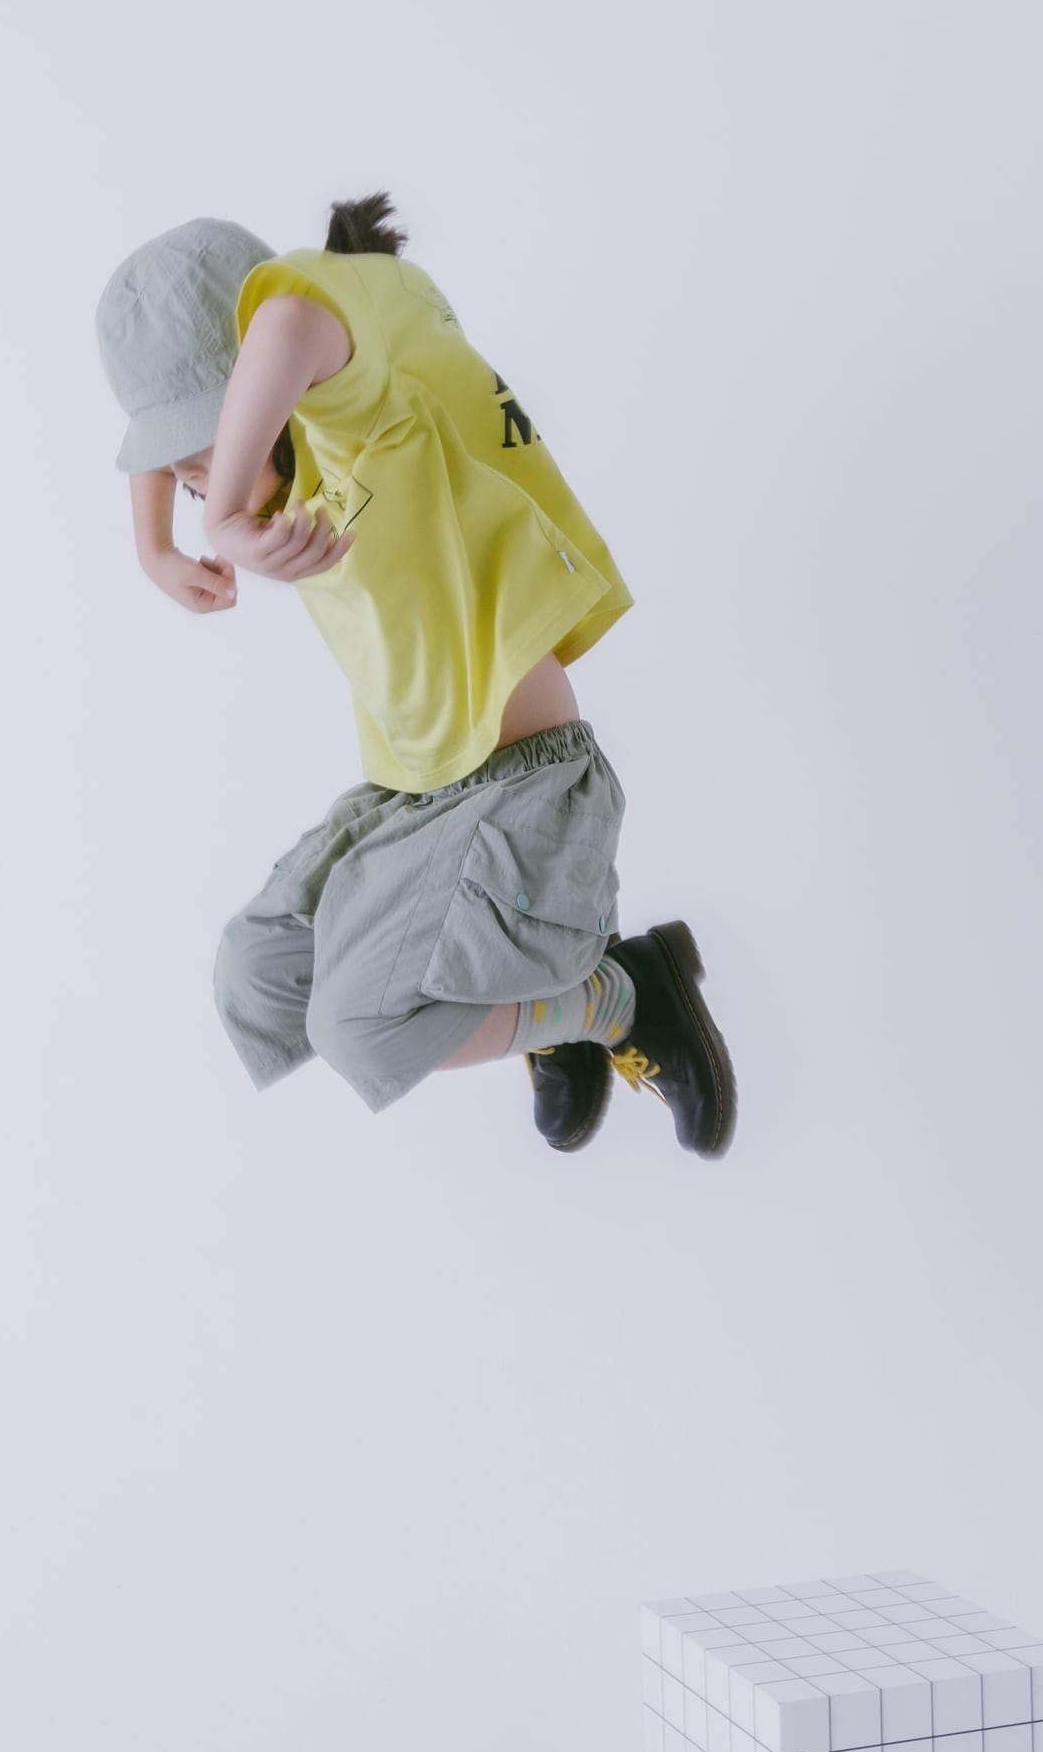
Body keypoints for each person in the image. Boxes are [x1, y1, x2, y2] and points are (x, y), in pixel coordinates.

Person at [95, 196, 736, 1155]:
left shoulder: (356, 413)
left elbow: (289, 319)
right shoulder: (281, 437)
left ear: (272, 397)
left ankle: (614, 996)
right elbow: (210, 403)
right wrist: (153, 546)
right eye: (183, 472)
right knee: (256, 975)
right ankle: (531, 1000)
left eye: (202, 453)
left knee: (358, 1028)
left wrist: (222, 511)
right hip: (412, 793)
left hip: (524, 787)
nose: (192, 483)